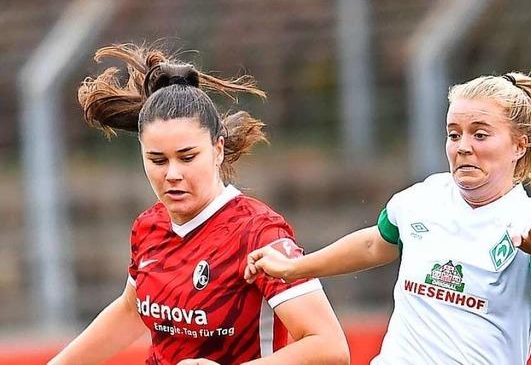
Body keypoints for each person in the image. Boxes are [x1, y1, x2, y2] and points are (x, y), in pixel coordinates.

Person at [245, 68, 531, 364]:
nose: (463, 147)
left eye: (480, 134)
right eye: (454, 134)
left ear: (519, 144)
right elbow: (372, 244)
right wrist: (293, 269)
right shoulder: (422, 198)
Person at [49, 44, 350, 365]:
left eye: (187, 157)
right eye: (157, 160)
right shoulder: (150, 226)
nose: (172, 174)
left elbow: (330, 348)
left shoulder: (257, 232)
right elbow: (131, 308)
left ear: (217, 149)